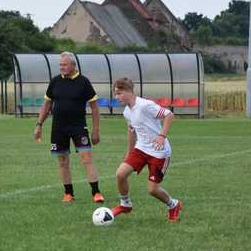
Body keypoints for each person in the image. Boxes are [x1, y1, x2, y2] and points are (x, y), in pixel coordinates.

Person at [34, 51, 104, 203]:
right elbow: (46, 105)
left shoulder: (83, 82)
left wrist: (96, 130)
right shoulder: (55, 82)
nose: (62, 67)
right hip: (58, 128)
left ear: (73, 65)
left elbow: (94, 108)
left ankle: (96, 192)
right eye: (60, 65)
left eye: (64, 65)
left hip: (78, 127)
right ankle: (68, 193)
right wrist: (39, 124)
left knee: (86, 158)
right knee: (62, 161)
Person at [110, 78, 182, 222]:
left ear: (128, 91)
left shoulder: (145, 105)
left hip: (159, 151)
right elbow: (132, 131)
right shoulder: (126, 112)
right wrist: (129, 152)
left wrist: (162, 135)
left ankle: (173, 204)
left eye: (119, 93)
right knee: (120, 174)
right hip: (141, 148)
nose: (116, 97)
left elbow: (169, 115)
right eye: (115, 94)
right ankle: (125, 204)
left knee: (152, 190)